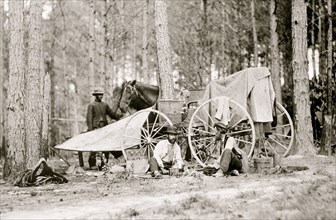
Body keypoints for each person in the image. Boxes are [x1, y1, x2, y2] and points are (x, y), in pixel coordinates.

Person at [87, 87, 121, 170]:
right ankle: (92, 164)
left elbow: (111, 114)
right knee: (94, 147)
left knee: (106, 146)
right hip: (95, 128)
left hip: (104, 128)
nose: (101, 96)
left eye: (102, 94)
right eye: (99, 94)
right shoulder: (91, 105)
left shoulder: (105, 105)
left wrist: (120, 117)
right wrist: (91, 131)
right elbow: (89, 119)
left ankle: (104, 164)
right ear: (95, 95)